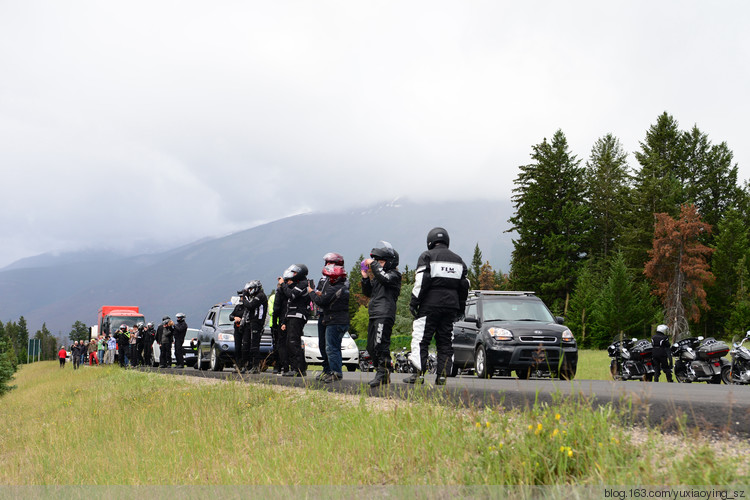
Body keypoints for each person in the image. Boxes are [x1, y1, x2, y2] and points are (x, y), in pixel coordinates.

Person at [406, 227, 469, 386]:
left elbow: (422, 281)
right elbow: (464, 287)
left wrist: (414, 303)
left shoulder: (427, 256)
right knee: (445, 341)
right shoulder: (459, 260)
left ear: (430, 241)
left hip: (430, 305)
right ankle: (442, 376)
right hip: (451, 307)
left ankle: (418, 374)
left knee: (422, 339)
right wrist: (460, 309)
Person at [361, 241, 402, 387]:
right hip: (374, 313)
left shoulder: (394, 275)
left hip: (384, 312)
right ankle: (383, 372)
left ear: (390, 262)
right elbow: (368, 292)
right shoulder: (379, 277)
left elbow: (384, 277)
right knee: (371, 347)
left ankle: (383, 373)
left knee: (380, 344)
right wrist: (365, 277)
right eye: (378, 261)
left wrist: (373, 264)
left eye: (382, 261)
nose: (379, 264)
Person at [311, 263, 349, 383]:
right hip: (340, 320)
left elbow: (321, 301)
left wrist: (311, 292)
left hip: (334, 321)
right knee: (335, 347)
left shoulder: (334, 288)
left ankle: (336, 372)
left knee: (331, 348)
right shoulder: (343, 287)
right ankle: (334, 371)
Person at [280, 264, 310, 377]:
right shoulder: (297, 284)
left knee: (293, 342)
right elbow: (289, 304)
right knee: (289, 343)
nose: (293, 275)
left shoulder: (303, 284)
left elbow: (291, 295)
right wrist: (284, 321)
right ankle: (295, 368)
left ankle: (299, 369)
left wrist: (283, 284)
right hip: (291, 316)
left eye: (295, 273)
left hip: (298, 316)